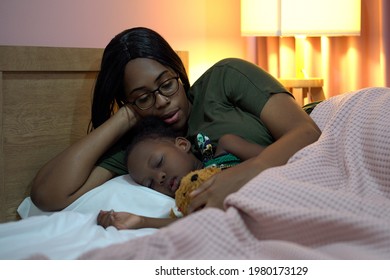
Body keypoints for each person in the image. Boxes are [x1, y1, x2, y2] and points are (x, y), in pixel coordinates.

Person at [30, 26, 321, 215]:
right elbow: (47, 194)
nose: (161, 101)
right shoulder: (143, 150)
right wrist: (126, 116)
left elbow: (307, 132)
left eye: (166, 85)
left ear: (177, 72)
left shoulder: (224, 78)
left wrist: (246, 173)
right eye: (143, 97)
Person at [97, 116, 264, 229]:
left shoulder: (227, 145)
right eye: (150, 184)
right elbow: (189, 224)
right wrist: (140, 221)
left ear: (182, 145)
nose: (159, 178)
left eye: (159, 162)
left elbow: (277, 159)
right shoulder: (189, 200)